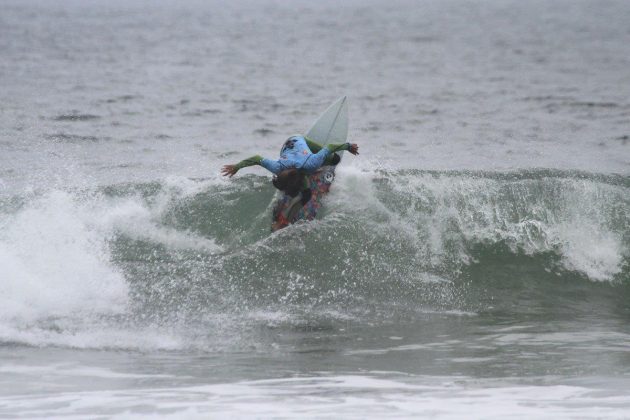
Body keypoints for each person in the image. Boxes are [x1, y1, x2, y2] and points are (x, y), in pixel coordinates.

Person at [221, 135, 359, 180]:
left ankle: (312, 149)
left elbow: (329, 147)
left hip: (297, 139)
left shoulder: (312, 163)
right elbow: (257, 158)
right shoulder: (278, 169)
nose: (281, 173)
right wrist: (237, 167)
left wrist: (348, 146)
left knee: (334, 159)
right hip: (286, 147)